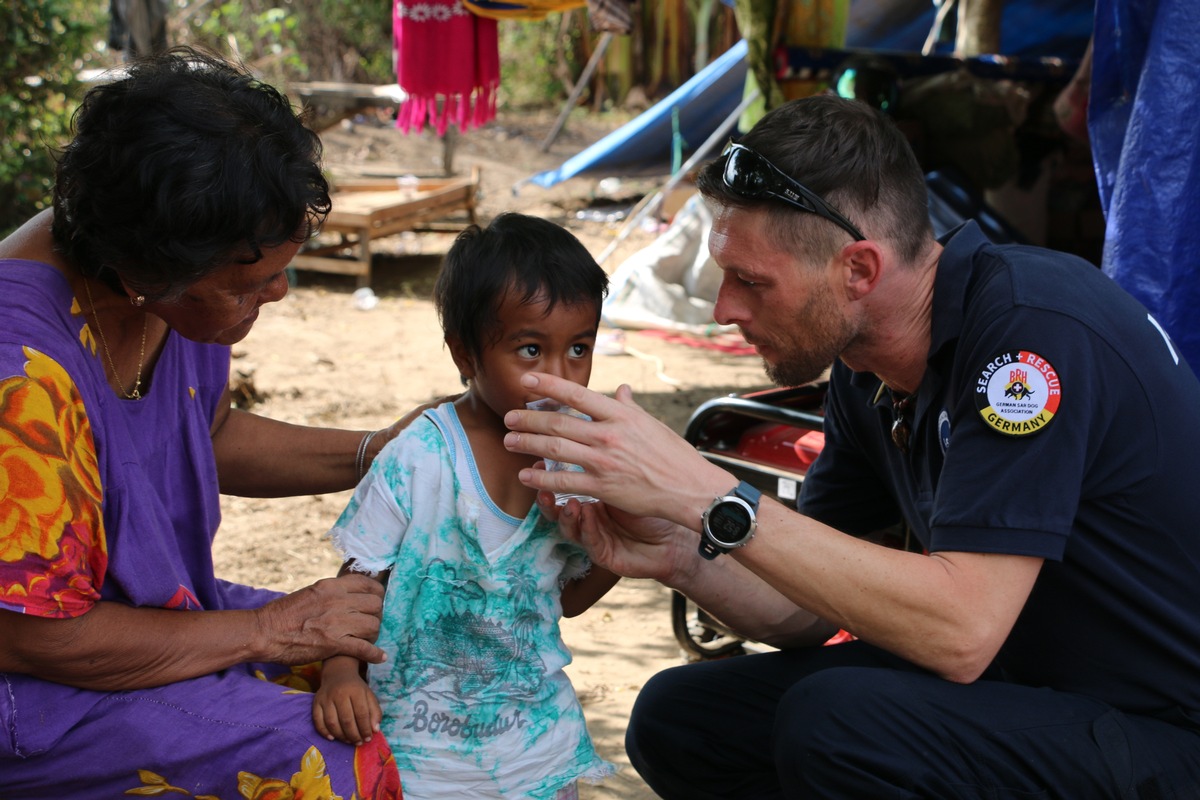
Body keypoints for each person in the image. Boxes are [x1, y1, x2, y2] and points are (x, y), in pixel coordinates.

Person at [503, 94, 1200, 797]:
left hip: (1163, 727)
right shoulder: (866, 372)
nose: (724, 309)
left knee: (838, 722)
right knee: (682, 717)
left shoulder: (1027, 337)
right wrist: (681, 549)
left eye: (751, 282)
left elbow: (961, 632)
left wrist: (709, 493)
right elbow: (808, 610)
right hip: (1032, 690)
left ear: (859, 271)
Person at [0, 47, 406, 797]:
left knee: (408, 666)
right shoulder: (21, 375)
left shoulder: (160, 294)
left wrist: (379, 452)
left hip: (137, 628)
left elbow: (201, 435)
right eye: (251, 282)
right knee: (332, 767)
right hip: (36, 694)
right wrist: (270, 630)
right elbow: (35, 636)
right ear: (149, 271)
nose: (279, 292)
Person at [312, 212, 619, 799]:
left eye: (578, 349)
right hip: (421, 756)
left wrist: (619, 549)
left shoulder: (582, 461)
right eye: (530, 350)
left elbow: (568, 601)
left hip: (537, 750)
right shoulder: (421, 457)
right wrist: (340, 671)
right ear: (466, 355)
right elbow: (358, 580)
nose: (558, 377)